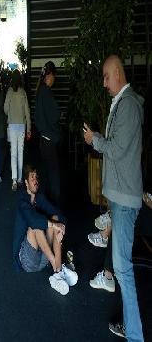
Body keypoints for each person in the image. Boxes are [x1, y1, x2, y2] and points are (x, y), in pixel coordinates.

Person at [83, 55, 144, 341]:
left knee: (123, 270)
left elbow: (117, 150)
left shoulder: (128, 105)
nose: (104, 83)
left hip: (125, 200)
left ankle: (135, 335)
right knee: (121, 267)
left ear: (118, 73)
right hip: (121, 198)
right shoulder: (123, 103)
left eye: (106, 77)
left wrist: (94, 139)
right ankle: (131, 328)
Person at [12, 164, 78, 295]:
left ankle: (58, 273)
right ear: (26, 182)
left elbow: (59, 215)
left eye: (36, 177)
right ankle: (57, 266)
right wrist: (54, 225)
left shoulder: (40, 198)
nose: (36, 181)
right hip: (27, 261)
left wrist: (61, 228)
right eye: (32, 178)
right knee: (36, 226)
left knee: (55, 219)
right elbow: (33, 220)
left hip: (43, 259)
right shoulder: (22, 200)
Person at [34, 61, 62, 208]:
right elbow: (54, 115)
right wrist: (59, 113)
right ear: (49, 75)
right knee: (54, 176)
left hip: (43, 138)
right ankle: (54, 209)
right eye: (54, 76)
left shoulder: (40, 90)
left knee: (46, 175)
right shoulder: (46, 92)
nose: (54, 79)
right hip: (49, 139)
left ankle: (46, 205)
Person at [4, 69, 31, 191]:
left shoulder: (9, 91)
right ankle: (20, 179)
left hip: (12, 125)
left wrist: (10, 113)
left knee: (13, 153)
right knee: (21, 152)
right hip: (21, 126)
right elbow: (27, 111)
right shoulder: (23, 92)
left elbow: (5, 108)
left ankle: (14, 179)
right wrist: (29, 128)